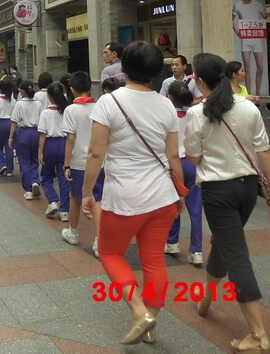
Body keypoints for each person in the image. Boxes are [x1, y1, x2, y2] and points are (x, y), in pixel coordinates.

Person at [82, 41, 183, 346]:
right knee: (153, 260)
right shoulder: (166, 104)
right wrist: (179, 193)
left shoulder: (109, 103)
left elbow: (95, 153)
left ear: (123, 67)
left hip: (124, 198)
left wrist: (88, 192)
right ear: (156, 71)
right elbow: (173, 156)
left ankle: (140, 312)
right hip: (162, 196)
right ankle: (150, 322)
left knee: (111, 253)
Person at [184, 53, 270, 354]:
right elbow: (264, 151)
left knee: (236, 254)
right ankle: (207, 298)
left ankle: (257, 333)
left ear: (199, 81)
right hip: (248, 188)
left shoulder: (197, 114)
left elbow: (194, 158)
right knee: (226, 243)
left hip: (218, 192)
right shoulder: (248, 107)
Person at [61, 71, 102, 257]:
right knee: (98, 200)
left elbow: (70, 139)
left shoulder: (71, 110)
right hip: (100, 161)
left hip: (78, 161)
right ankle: (99, 241)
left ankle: (73, 231)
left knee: (76, 197)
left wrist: (66, 164)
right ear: (90, 87)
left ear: (72, 89)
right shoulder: (100, 107)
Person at [164, 81, 204, 265]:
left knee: (173, 203)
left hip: (174, 163)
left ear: (170, 97)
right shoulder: (195, 115)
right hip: (193, 162)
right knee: (195, 208)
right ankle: (196, 251)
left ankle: (172, 242)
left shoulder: (167, 117)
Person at [38, 82, 70, 221]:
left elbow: (42, 134)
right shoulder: (67, 111)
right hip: (64, 143)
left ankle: (52, 201)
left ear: (50, 97)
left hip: (50, 145)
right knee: (64, 178)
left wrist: (40, 152)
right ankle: (64, 211)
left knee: (46, 176)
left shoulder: (45, 113)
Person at [9, 80, 42, 201]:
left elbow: (14, 121)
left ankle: (28, 190)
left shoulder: (19, 104)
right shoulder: (38, 104)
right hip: (36, 132)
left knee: (24, 161)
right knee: (34, 159)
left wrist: (11, 137)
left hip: (23, 133)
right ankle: (35, 181)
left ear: (22, 91)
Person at [232, 0, 267, 95]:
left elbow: (266, 16)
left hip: (256, 39)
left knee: (260, 67)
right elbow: (230, 19)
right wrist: (237, 31)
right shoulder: (238, 5)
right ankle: (249, 93)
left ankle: (257, 93)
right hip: (245, 40)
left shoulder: (257, 4)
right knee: (247, 67)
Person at [0, 77, 15, 176]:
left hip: (0, 124)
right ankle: (10, 170)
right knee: (9, 146)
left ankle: (2, 164)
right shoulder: (13, 100)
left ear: (0, 88)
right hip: (10, 123)